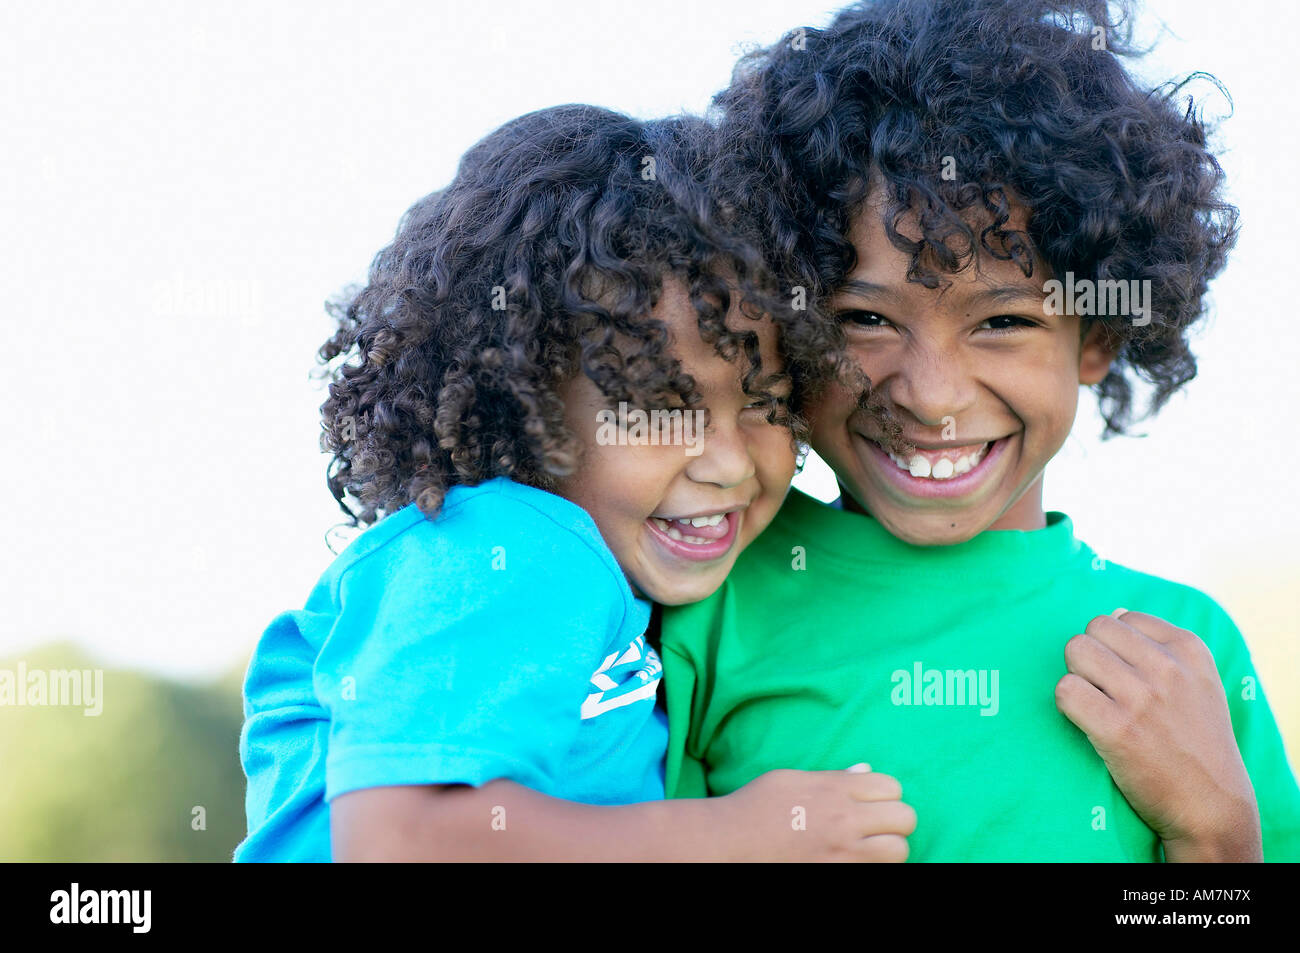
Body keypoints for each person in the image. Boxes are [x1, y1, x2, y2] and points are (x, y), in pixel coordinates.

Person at [661, 0, 1300, 861]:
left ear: (1098, 336)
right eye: (864, 318)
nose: (931, 396)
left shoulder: (1184, 649)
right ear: (783, 320)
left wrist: (1216, 833)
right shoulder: (704, 594)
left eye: (1002, 322)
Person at [235, 104, 916, 862]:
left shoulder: (599, 587)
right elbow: (399, 838)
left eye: (766, 402)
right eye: (661, 406)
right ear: (521, 399)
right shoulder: (499, 549)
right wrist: (734, 834)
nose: (728, 460)